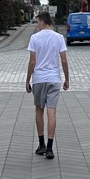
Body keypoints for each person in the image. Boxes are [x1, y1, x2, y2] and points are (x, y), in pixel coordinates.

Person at [26, 10, 69, 160]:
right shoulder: (59, 38)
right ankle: (50, 148)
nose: (37, 25)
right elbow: (63, 60)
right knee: (52, 111)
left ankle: (41, 144)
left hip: (39, 79)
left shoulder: (35, 38)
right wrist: (67, 79)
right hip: (54, 79)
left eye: (38, 22)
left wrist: (27, 80)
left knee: (39, 110)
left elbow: (32, 61)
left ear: (43, 22)